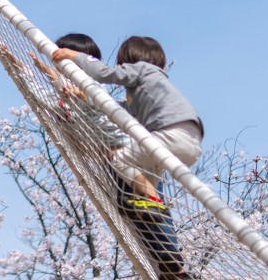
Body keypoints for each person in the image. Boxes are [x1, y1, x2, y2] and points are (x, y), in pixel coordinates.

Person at [52, 35, 203, 219]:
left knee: (120, 160)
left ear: (126, 64)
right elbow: (117, 110)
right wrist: (86, 98)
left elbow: (102, 73)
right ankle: (147, 202)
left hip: (170, 133)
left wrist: (74, 56)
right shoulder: (150, 89)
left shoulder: (142, 70)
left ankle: (153, 201)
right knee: (148, 173)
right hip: (191, 145)